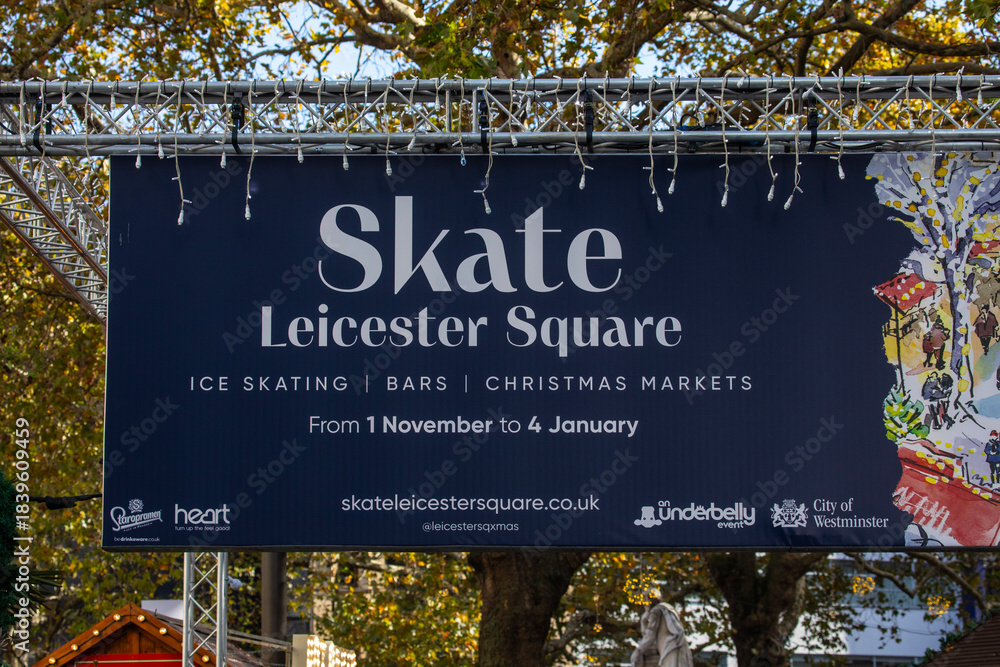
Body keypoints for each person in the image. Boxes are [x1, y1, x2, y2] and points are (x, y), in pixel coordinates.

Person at [630, 592, 693, 667]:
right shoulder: (666, 608)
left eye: (645, 601)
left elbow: (650, 635)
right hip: (674, 645)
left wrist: (638, 651)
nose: (644, 604)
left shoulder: (656, 611)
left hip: (670, 647)